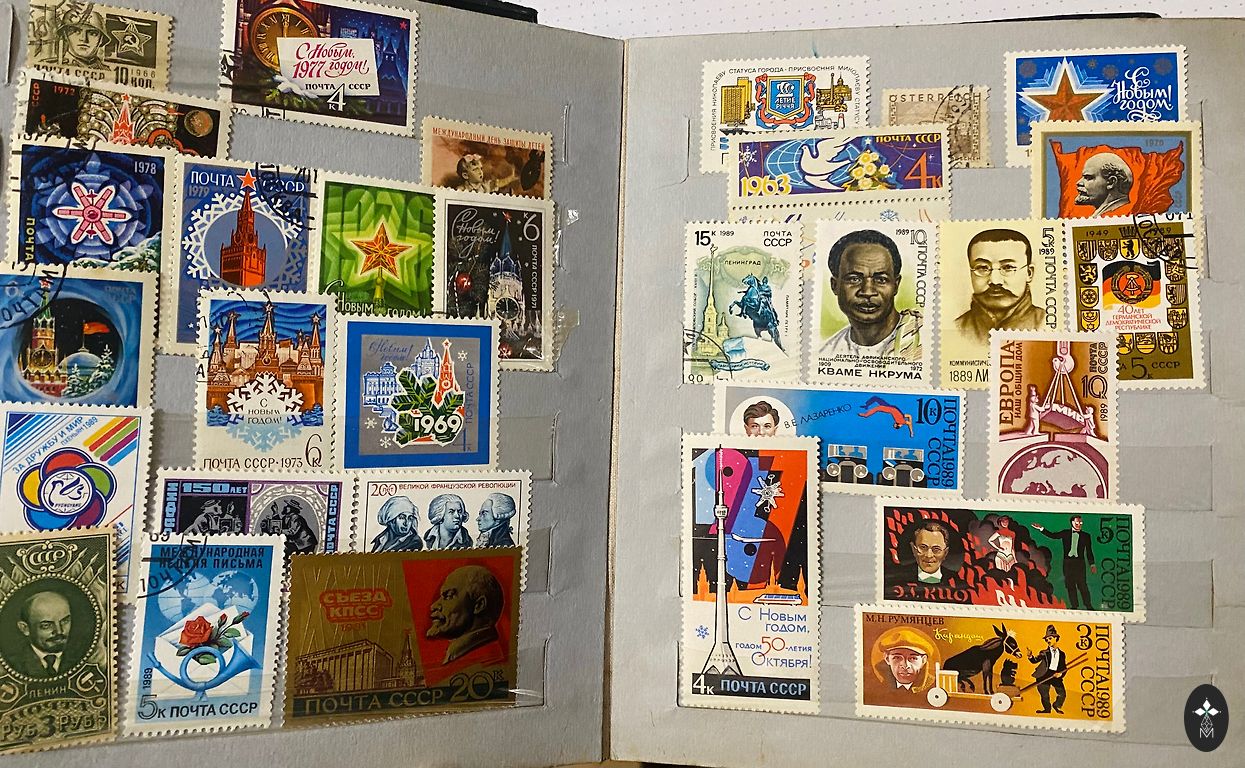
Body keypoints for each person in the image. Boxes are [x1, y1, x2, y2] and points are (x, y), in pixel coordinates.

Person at [819, 229, 921, 359]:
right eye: (854, 279)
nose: (867, 292)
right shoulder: (826, 353)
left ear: (896, 285)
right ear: (835, 285)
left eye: (881, 280)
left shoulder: (923, 338)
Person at [954, 228, 1046, 345]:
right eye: (982, 268)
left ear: (1029, 273)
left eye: (1008, 267)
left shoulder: (1047, 323)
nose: (995, 281)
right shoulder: (955, 329)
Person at [427, 565, 507, 666]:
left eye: (448, 596)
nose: (434, 606)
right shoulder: (460, 655)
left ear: (479, 605)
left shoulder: (485, 660)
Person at [1031, 516, 1096, 610]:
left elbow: (1089, 551)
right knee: (1070, 585)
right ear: (1072, 523)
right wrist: (1041, 528)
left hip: (1080, 563)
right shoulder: (1065, 533)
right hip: (1068, 563)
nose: (1079, 525)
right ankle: (1074, 606)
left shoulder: (1086, 536)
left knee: (1082, 585)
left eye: (1080, 523)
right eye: (1077, 523)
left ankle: (1088, 605)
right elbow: (1053, 536)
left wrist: (1092, 564)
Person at [12, 589, 74, 677]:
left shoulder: (83, 655)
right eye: (46, 625)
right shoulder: (14, 664)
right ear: (25, 628)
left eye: (65, 621)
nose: (59, 631)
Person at [872, 626, 935, 697]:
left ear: (923, 660)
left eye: (913, 658)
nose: (905, 666)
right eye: (897, 658)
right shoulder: (877, 687)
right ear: (887, 659)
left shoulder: (934, 685)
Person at [1027, 624, 1068, 714]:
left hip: (1056, 675)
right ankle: (1047, 709)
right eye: (1046, 640)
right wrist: (1030, 656)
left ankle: (1056, 705)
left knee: (1062, 693)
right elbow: (1034, 661)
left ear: (1056, 638)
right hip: (1044, 675)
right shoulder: (1044, 652)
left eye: (1050, 638)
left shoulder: (1062, 654)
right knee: (1044, 695)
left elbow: (1064, 667)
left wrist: (1060, 674)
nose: (1048, 641)